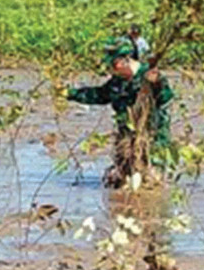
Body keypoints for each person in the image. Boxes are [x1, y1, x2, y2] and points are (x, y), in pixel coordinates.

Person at [64, 37, 175, 186]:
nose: (110, 69)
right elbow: (100, 95)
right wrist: (70, 94)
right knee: (121, 180)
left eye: (113, 65)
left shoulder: (149, 76)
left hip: (152, 137)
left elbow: (165, 99)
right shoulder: (117, 82)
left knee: (152, 180)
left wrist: (157, 84)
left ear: (125, 61)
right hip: (127, 138)